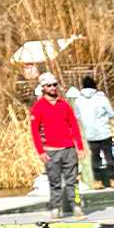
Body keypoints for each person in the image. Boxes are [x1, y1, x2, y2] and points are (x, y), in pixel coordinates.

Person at [29, 72, 84, 219]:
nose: (53, 88)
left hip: (69, 149)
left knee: (73, 182)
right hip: (51, 151)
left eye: (54, 85)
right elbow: (34, 130)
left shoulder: (64, 105)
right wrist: (40, 151)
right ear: (43, 88)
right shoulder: (38, 107)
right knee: (54, 183)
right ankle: (55, 209)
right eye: (49, 85)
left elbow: (74, 126)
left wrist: (79, 147)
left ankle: (76, 208)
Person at [71, 76, 114, 189]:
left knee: (95, 157)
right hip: (104, 132)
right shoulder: (101, 98)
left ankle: (97, 181)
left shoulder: (79, 100)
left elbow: (77, 116)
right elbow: (111, 114)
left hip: (90, 134)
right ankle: (113, 180)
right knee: (108, 156)